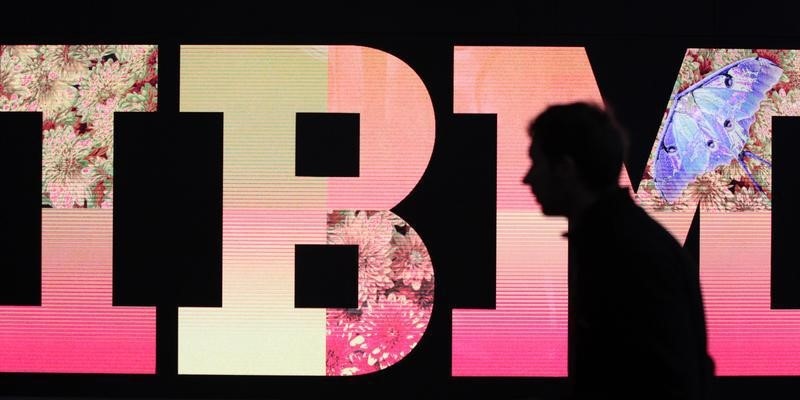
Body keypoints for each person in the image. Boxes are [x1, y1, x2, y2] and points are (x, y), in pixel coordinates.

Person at [522, 102, 715, 399]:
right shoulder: (624, 239)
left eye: (537, 163)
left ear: (566, 168)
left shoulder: (622, 251)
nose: (528, 178)